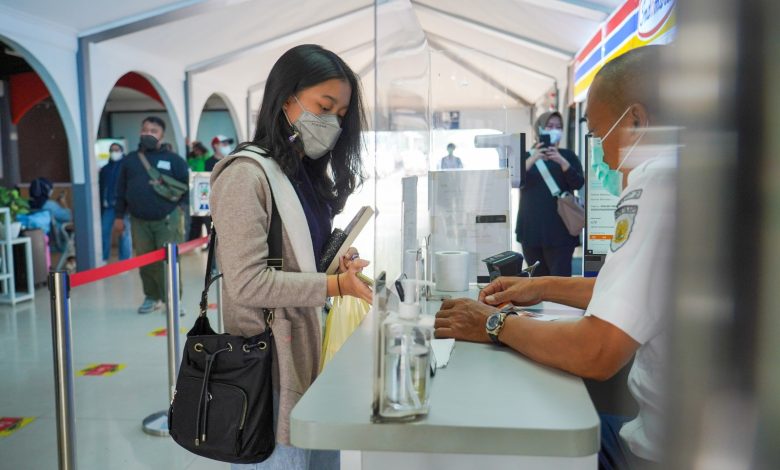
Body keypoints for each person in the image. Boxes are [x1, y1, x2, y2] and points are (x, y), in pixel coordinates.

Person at [434, 46, 671, 469]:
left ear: (635, 120)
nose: (599, 149)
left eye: (597, 134)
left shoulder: (658, 182)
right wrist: (540, 286)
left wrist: (494, 323)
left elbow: (596, 350)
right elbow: (639, 289)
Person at [209, 44, 372, 470]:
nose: (334, 121)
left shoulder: (301, 173)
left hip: (311, 358)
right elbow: (246, 283)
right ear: (286, 99)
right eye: (325, 105)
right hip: (270, 372)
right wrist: (333, 285)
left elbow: (300, 260)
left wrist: (336, 262)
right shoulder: (245, 175)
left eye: (341, 113)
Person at [114, 116, 189, 314]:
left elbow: (188, 185)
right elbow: (121, 190)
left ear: (162, 135)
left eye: (153, 131)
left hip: (167, 220)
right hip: (138, 221)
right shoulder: (130, 160)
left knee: (169, 262)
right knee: (145, 262)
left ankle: (173, 300)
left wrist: (181, 206)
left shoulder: (174, 160)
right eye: (145, 129)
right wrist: (119, 216)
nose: (148, 133)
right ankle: (151, 297)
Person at [516, 111, 584, 276]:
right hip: (531, 230)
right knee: (537, 282)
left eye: (559, 127)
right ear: (540, 130)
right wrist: (533, 158)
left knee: (560, 281)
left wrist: (562, 162)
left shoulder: (568, 156)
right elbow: (515, 181)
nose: (555, 130)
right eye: (550, 126)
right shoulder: (526, 156)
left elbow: (578, 183)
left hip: (561, 230)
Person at [99, 143, 131, 261]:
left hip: (122, 206)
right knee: (104, 232)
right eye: (112, 150)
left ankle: (125, 260)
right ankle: (103, 259)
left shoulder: (126, 167)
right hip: (108, 206)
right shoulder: (105, 169)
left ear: (122, 151)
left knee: (124, 234)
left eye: (117, 150)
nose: (114, 152)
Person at [28, 177, 72, 252]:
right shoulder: (50, 206)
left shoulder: (26, 206)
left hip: (34, 243)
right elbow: (69, 217)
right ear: (47, 190)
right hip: (55, 243)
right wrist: (63, 202)